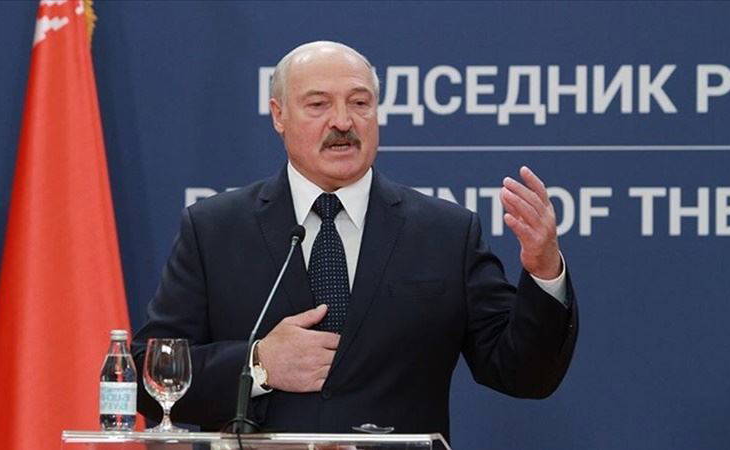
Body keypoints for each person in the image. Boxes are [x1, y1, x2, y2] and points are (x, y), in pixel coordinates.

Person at [132, 41, 578, 440]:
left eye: (360, 103)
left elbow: (524, 374)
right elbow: (149, 380)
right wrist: (258, 364)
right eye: (318, 104)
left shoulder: (446, 232)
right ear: (278, 115)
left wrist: (543, 270)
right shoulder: (215, 229)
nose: (343, 121)